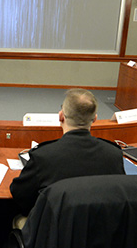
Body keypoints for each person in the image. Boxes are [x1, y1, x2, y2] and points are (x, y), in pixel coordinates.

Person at [10, 88, 125, 219]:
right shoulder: (114, 154)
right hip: (99, 232)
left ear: (61, 116)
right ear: (95, 119)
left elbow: (19, 195)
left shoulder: (43, 156)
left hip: (54, 233)